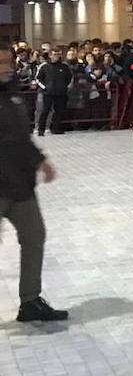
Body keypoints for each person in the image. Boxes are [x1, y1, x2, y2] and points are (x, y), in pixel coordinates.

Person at [0, 45, 67, 322]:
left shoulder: (11, 93)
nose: (6, 65)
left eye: (7, 60)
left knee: (34, 237)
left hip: (20, 185)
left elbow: (20, 136)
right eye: (0, 61)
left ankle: (29, 301)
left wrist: (41, 161)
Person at [35, 50, 73, 136]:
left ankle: (56, 129)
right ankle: (41, 130)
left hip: (61, 93)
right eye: (55, 54)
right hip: (48, 93)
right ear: (50, 55)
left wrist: (65, 87)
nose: (57, 56)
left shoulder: (64, 66)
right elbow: (38, 78)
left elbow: (70, 78)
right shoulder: (44, 66)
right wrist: (45, 87)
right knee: (45, 111)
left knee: (59, 111)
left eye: (58, 54)